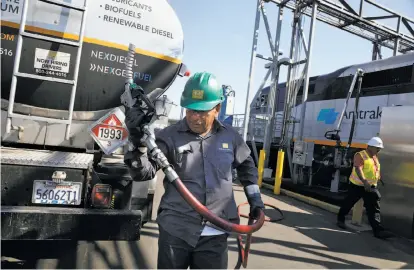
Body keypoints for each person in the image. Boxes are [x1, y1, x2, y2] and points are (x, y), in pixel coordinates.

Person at [124, 71, 265, 269]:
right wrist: (136, 142)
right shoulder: (169, 136)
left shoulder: (231, 137)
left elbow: (247, 167)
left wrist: (255, 200)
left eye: (201, 112)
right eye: (190, 110)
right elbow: (143, 173)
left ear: (217, 108)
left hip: (216, 232)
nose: (194, 117)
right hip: (176, 230)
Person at [337, 136, 393, 239]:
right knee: (349, 202)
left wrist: (379, 178)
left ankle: (378, 231)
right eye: (377, 148)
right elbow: (358, 169)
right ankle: (340, 219)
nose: (379, 150)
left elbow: (374, 169)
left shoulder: (374, 156)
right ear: (370, 147)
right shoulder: (360, 155)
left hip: (370, 187)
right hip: (357, 186)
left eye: (379, 148)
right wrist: (364, 181)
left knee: (374, 208)